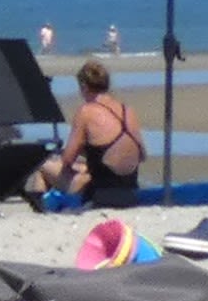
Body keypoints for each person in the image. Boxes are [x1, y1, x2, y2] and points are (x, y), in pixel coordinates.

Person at [37, 59, 148, 206]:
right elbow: (142, 156)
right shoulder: (127, 110)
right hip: (130, 189)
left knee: (43, 166)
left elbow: (67, 160)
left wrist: (81, 158)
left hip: (99, 194)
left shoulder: (86, 111)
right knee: (85, 168)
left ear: (84, 86)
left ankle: (42, 208)